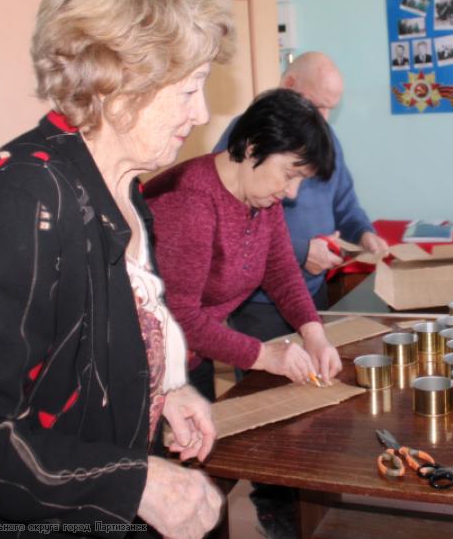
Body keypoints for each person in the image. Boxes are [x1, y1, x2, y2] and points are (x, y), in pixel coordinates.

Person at [0, 0, 235, 538]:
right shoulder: (23, 197)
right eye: (190, 89)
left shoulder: (122, 189)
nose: (200, 113)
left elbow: (92, 350)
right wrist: (135, 483)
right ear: (120, 83)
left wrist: (163, 392)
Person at [144, 88, 342, 402]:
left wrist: (314, 333)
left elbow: (281, 271)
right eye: (290, 174)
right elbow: (179, 314)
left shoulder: (263, 198)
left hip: (191, 356)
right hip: (144, 366)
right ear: (253, 147)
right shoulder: (190, 202)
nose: (292, 192)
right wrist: (264, 356)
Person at [215, 52, 388, 341]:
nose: (323, 118)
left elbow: (344, 203)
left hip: (312, 291)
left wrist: (363, 233)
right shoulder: (250, 133)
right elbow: (230, 225)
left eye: (330, 108)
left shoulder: (325, 136)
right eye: (317, 105)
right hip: (260, 303)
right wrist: (300, 251)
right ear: (289, 84)